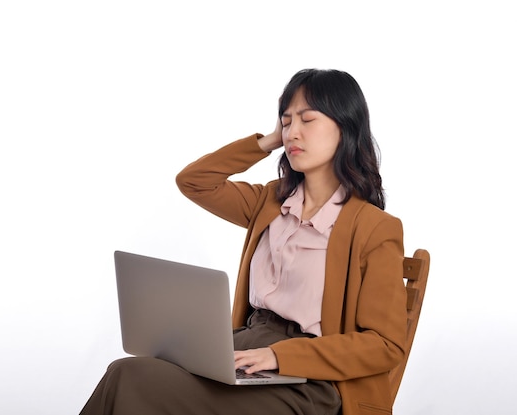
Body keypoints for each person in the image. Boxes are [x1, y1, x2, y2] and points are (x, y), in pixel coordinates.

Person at [79, 68, 408, 415]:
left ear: (346, 127)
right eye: (286, 121)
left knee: (139, 385)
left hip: (309, 379)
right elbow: (194, 181)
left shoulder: (374, 228)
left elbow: (384, 345)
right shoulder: (269, 202)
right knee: (127, 373)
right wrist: (267, 142)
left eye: (307, 120)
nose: (293, 132)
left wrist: (279, 356)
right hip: (243, 350)